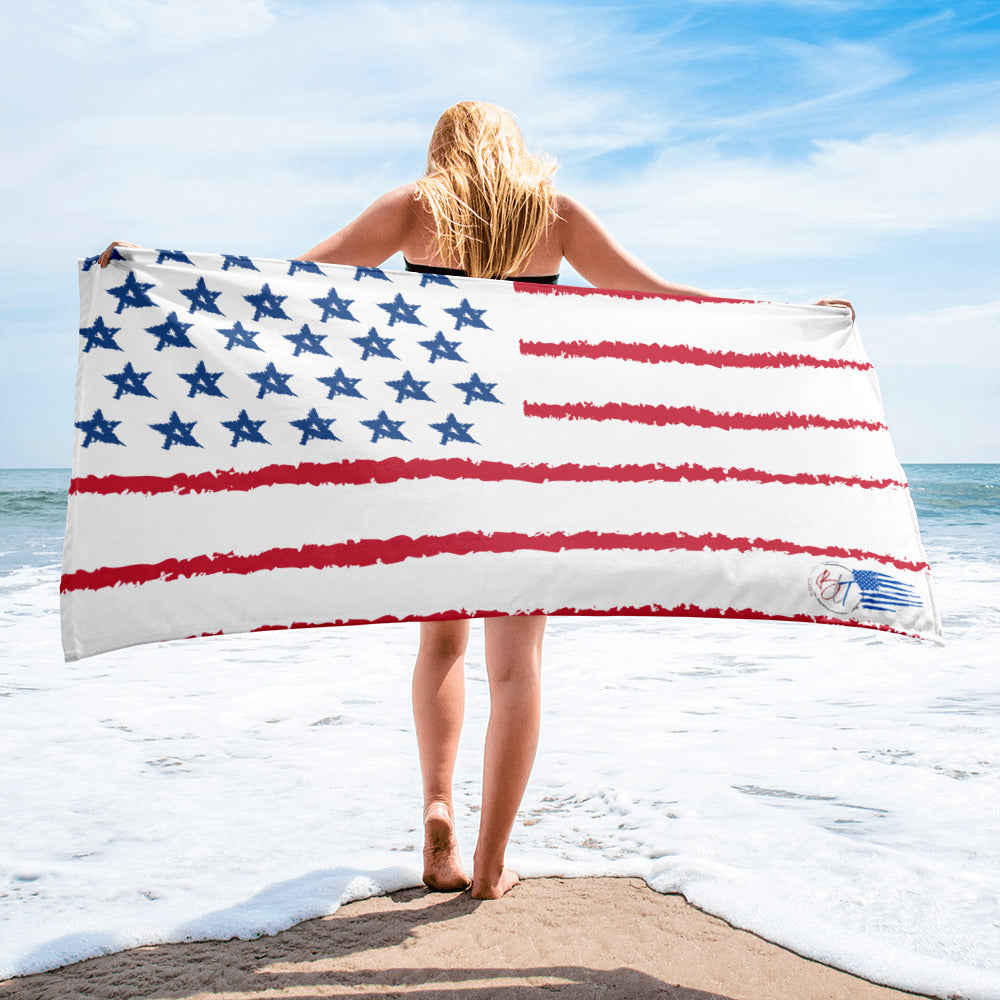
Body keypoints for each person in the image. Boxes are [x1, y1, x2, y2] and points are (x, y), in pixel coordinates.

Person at [99, 100, 852, 901]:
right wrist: (784, 321)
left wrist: (154, 276)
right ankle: (491, 867)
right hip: (523, 457)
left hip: (430, 454)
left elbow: (286, 283)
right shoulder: (553, 214)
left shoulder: (414, 208)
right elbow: (658, 297)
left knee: (441, 646)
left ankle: (436, 809)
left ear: (443, 149)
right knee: (518, 668)